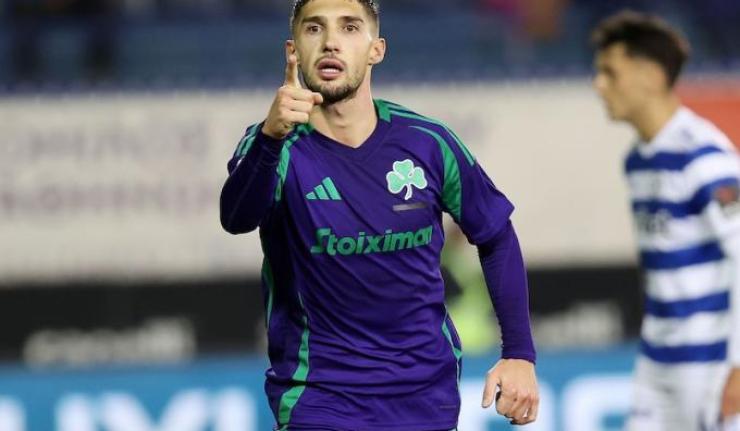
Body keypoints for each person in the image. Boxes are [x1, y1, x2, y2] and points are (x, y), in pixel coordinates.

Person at [220, 0, 538, 429]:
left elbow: (495, 233)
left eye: (349, 28)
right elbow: (236, 218)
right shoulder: (273, 146)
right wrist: (269, 138)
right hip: (320, 400)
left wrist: (518, 353)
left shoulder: (428, 143)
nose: (331, 42)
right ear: (293, 51)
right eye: (314, 29)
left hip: (426, 399)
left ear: (377, 50)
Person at [591, 11, 740, 431]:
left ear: (652, 76)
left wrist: (738, 365)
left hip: (710, 365)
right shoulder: (637, 161)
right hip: (657, 362)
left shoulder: (703, 158)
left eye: (611, 72)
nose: (599, 85)